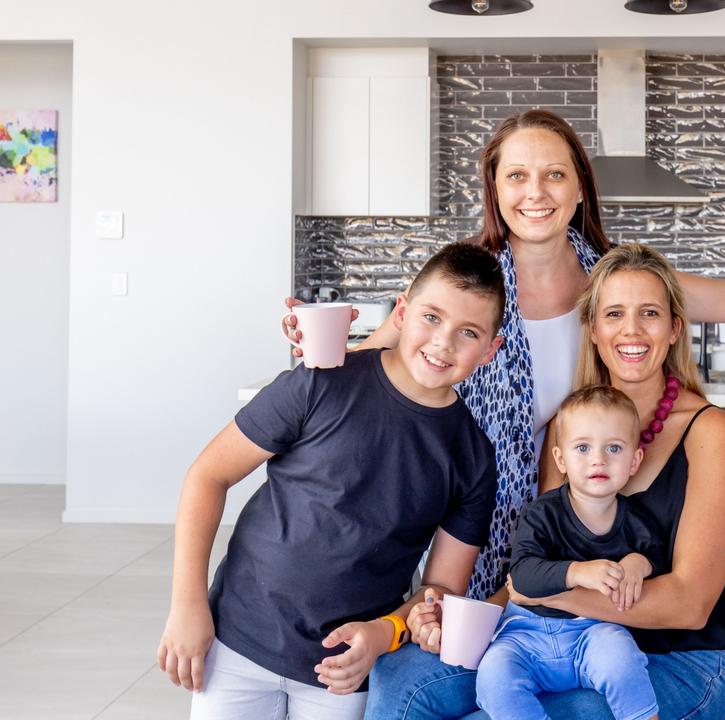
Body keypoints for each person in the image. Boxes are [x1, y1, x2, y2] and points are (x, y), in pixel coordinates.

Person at [288, 108, 725, 602]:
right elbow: (378, 358)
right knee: (457, 657)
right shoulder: (466, 286)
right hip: (464, 527)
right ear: (495, 189)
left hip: (573, 535)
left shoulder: (614, 285)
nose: (536, 193)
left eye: (555, 175)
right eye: (517, 175)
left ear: (581, 187)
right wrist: (322, 346)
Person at [365, 244, 725, 719]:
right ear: (593, 329)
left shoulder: (710, 430)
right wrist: (466, 620)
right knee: (404, 678)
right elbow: (537, 568)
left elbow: (689, 605)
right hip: (563, 641)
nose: (631, 330)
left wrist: (544, 591)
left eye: (650, 313)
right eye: (614, 313)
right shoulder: (567, 428)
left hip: (685, 659)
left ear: (675, 328)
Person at [158, 243, 505, 719]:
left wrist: (385, 633)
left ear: (491, 349)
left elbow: (441, 586)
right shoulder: (320, 382)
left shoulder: (474, 457)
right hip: (237, 638)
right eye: (431, 317)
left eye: (468, 332)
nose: (443, 342)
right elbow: (208, 475)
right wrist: (186, 605)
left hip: (343, 671)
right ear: (401, 312)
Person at [476, 385, 662, 720]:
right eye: (583, 448)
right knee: (494, 675)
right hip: (526, 635)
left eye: (614, 448)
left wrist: (639, 563)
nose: (598, 459)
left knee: (621, 655)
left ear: (635, 461)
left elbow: (659, 555)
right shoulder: (542, 514)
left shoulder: (636, 520)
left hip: (593, 633)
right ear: (560, 459)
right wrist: (577, 571)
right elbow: (522, 577)